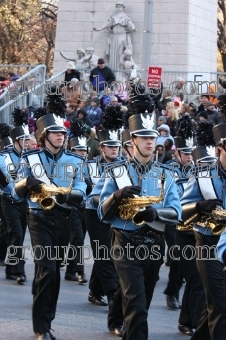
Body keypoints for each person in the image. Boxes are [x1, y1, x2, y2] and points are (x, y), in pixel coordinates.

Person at [98, 109, 181, 340]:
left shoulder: (166, 174)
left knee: (141, 298)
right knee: (136, 303)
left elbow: (176, 211)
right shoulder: (117, 171)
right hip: (124, 240)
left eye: (152, 138)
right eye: (144, 137)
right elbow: (101, 213)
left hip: (154, 243)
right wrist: (116, 196)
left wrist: (156, 213)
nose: (149, 142)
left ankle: (121, 324)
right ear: (132, 141)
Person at [13, 113, 86, 340]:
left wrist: (69, 196)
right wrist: (27, 183)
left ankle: (47, 320)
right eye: (55, 133)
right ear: (44, 135)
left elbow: (83, 189)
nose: (60, 136)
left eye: (63, 133)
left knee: (54, 272)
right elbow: (16, 191)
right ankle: (41, 327)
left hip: (64, 218)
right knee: (46, 270)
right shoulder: (30, 157)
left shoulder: (76, 160)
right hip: (38, 217)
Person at [180, 94, 226, 340]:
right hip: (207, 243)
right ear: (220, 148)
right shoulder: (202, 173)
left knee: (216, 310)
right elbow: (182, 211)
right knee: (220, 305)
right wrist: (199, 206)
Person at [0, 111, 31, 285]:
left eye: (28, 139)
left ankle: (11, 268)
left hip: (24, 202)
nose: (27, 143)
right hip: (8, 201)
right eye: (24, 140)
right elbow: (6, 182)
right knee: (16, 233)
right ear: (16, 141)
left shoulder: (30, 158)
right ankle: (19, 271)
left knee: (16, 235)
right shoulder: (3, 157)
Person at [94, 1, 136, 76]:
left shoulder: (126, 17)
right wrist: (99, 29)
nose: (119, 8)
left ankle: (120, 72)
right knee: (113, 54)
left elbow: (130, 23)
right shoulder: (114, 17)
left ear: (123, 7)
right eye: (118, 7)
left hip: (122, 37)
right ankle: (112, 72)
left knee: (120, 54)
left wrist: (133, 27)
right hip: (115, 37)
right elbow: (108, 24)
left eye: (120, 6)